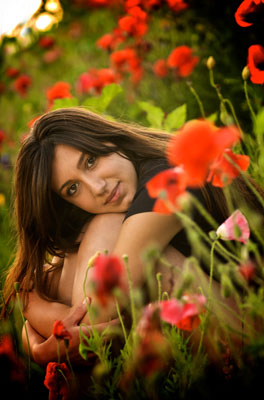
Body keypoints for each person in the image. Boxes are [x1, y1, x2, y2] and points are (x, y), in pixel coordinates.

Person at [2, 107, 262, 366]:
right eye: (72, 188)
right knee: (80, 260)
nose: (98, 187)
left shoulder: (163, 185)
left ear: (108, 137)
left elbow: (92, 324)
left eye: (91, 160)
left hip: (251, 335)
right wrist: (36, 321)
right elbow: (62, 302)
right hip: (227, 321)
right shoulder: (132, 184)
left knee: (114, 241)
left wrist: (33, 317)